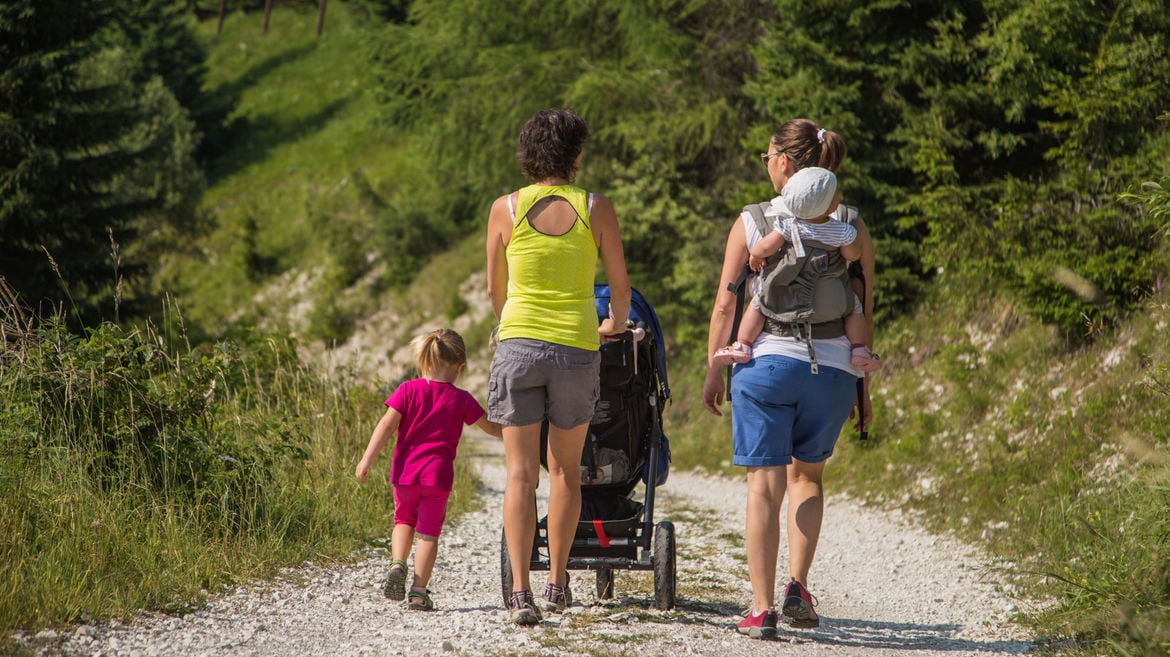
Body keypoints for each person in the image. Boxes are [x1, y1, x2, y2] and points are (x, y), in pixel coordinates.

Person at [701, 118, 875, 640]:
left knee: (764, 484)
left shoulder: (755, 221)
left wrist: (715, 369)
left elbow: (727, 302)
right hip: (835, 369)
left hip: (766, 363)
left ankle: (761, 608)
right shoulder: (851, 223)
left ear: (781, 162)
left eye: (767, 157)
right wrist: (861, 387)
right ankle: (798, 587)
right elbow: (863, 302)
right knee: (808, 478)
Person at [485, 108, 631, 625]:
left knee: (520, 474)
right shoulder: (597, 207)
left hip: (519, 344)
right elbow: (619, 291)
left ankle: (520, 591)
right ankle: (558, 581)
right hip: (575, 346)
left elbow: (494, 292)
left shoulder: (505, 208)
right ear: (575, 155)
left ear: (528, 154)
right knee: (566, 469)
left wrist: (515, 328)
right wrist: (609, 326)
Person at [355, 328, 503, 611]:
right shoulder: (462, 399)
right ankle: (419, 592)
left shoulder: (407, 390)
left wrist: (366, 460)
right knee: (428, 533)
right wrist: (518, 432)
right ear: (460, 367)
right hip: (437, 478)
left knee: (402, 521)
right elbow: (491, 428)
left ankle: (397, 563)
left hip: (405, 475)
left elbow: (386, 425)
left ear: (423, 360)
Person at [711, 166, 880, 372]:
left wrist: (755, 256)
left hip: (784, 294)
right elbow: (852, 255)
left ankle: (744, 344)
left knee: (759, 303)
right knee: (854, 308)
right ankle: (859, 349)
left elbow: (764, 246)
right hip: (831, 309)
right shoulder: (841, 229)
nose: (839, 197)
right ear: (827, 207)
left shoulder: (787, 224)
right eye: (835, 194)